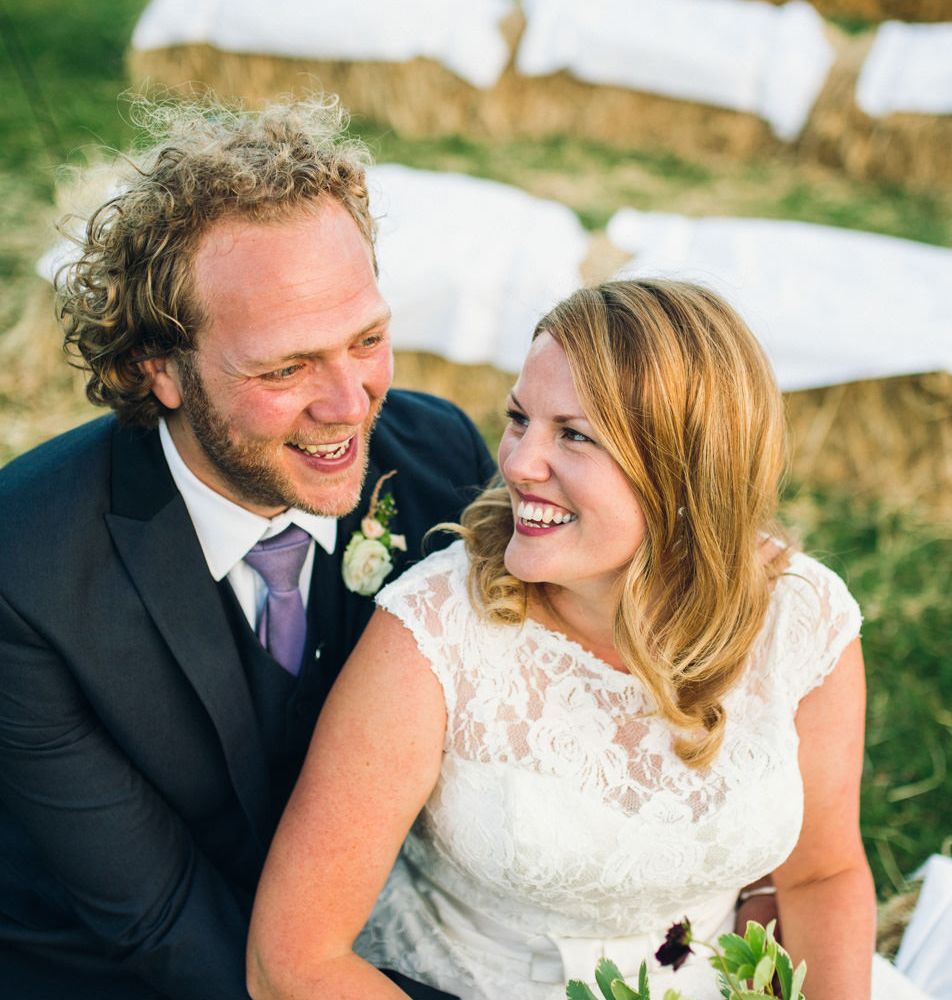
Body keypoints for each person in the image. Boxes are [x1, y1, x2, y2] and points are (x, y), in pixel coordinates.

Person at [247, 279, 883, 1000]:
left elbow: (822, 875)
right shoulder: (431, 634)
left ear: (687, 472)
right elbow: (291, 960)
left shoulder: (800, 618)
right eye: (520, 419)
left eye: (574, 435)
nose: (518, 462)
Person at [0, 97, 493, 1000]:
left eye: (368, 340)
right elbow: (160, 918)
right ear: (158, 367)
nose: (348, 405)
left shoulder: (441, 461)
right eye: (286, 367)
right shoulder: (24, 567)